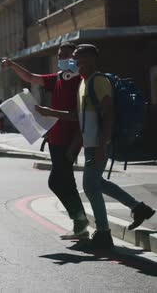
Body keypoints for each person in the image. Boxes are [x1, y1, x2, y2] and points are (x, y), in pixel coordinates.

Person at [36, 44, 155, 249]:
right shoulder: (84, 83)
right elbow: (77, 116)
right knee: (98, 182)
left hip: (99, 143)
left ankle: (103, 233)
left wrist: (102, 145)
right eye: (73, 59)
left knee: (90, 186)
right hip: (91, 143)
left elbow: (109, 114)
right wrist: (50, 113)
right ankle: (139, 208)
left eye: (78, 59)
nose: (74, 63)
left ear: (90, 59)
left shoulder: (98, 82)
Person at [1, 42, 89, 240]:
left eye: (66, 55)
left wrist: (51, 114)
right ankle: (80, 224)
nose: (62, 59)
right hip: (55, 139)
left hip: (69, 140)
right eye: (59, 56)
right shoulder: (58, 78)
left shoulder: (81, 82)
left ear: (75, 57)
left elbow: (79, 115)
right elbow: (31, 78)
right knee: (65, 181)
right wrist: (13, 65)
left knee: (57, 182)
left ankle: (80, 220)